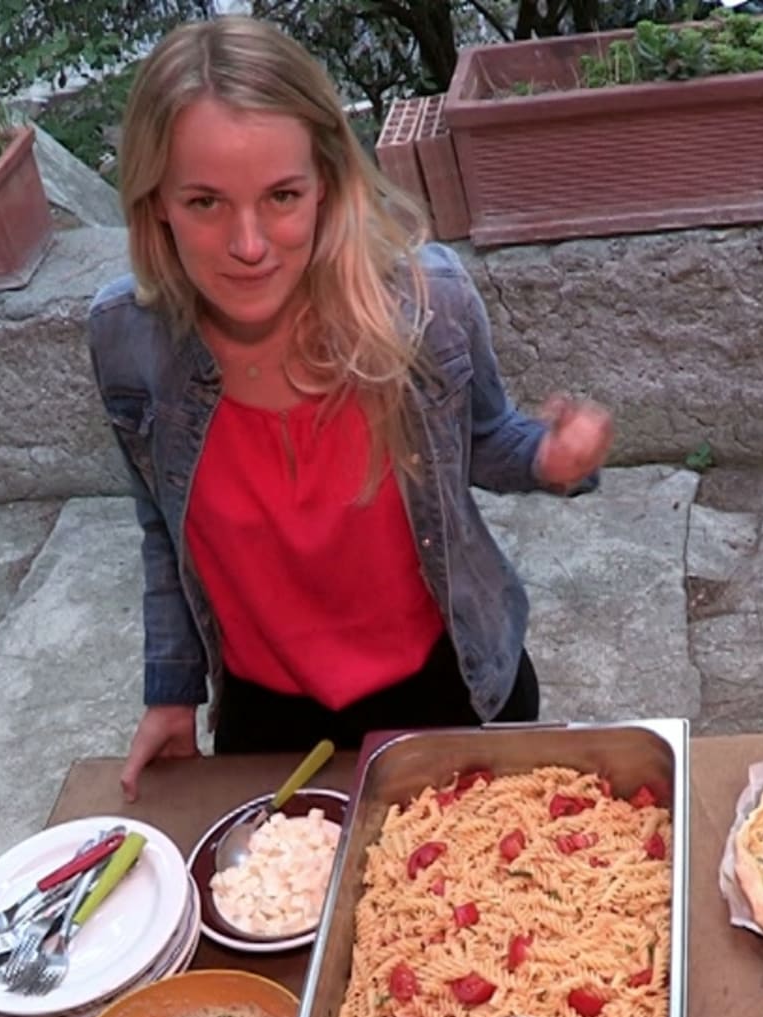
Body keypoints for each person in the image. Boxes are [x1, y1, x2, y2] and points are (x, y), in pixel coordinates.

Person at [89, 16, 614, 801]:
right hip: (267, 724)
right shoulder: (126, 340)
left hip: (454, 692)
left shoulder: (427, 304)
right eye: (204, 202)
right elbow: (163, 529)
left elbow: (483, 439)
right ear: (155, 201)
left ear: (328, 181)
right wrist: (171, 688)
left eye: (282, 196)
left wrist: (551, 458)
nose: (249, 244)